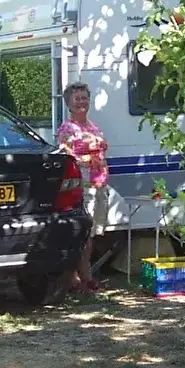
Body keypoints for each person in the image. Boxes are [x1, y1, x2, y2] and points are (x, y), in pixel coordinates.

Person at [55, 81, 108, 292]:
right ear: (68, 104)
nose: (81, 102)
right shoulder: (67, 128)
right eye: (76, 99)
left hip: (98, 184)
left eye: (84, 98)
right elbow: (66, 157)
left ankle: (85, 275)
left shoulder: (93, 126)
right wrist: (88, 159)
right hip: (81, 186)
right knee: (81, 232)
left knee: (91, 233)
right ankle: (77, 278)